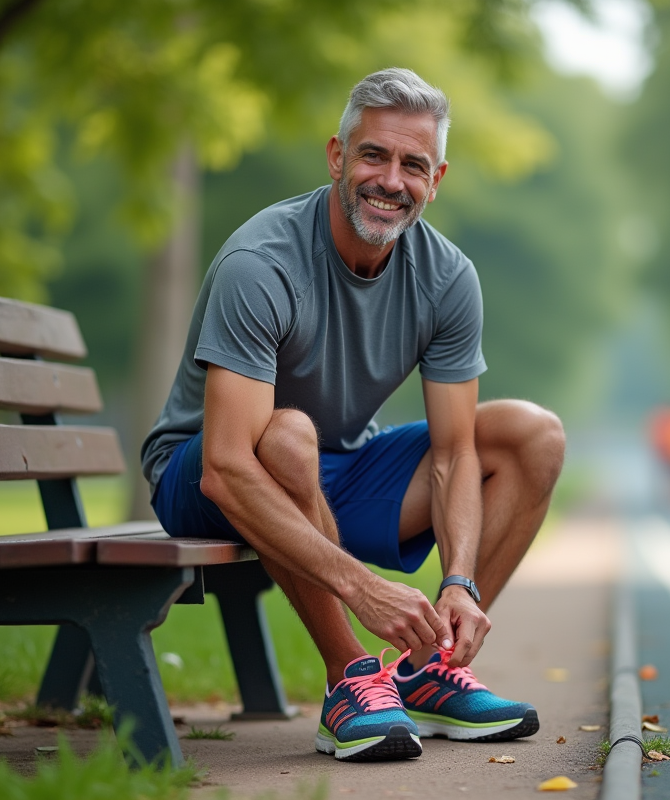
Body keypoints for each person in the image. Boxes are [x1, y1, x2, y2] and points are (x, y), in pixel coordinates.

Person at [140, 68, 565, 762]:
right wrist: (363, 588)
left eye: (413, 165)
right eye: (374, 155)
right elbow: (224, 466)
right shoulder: (263, 261)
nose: (390, 181)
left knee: (532, 436)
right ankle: (350, 680)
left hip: (333, 464)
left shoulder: (448, 277)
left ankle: (432, 669)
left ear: (438, 178)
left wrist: (458, 580)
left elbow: (456, 453)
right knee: (287, 435)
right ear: (338, 156)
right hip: (205, 473)